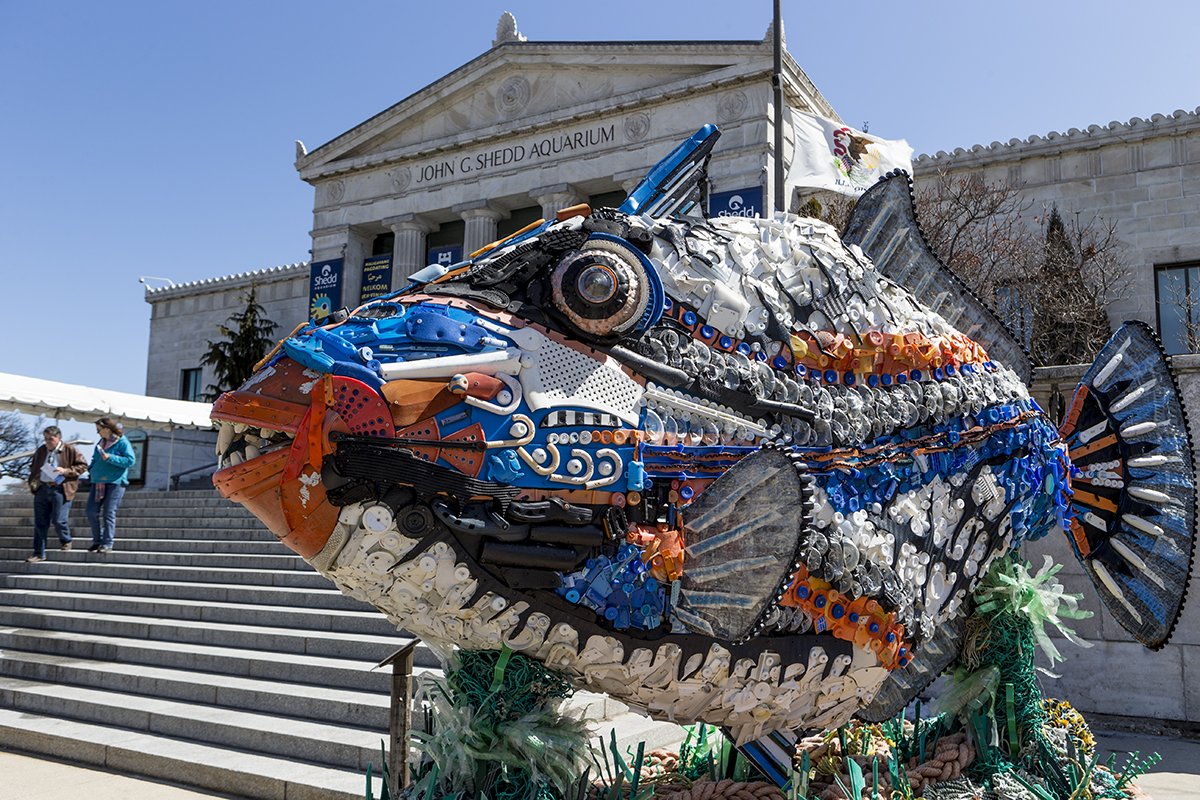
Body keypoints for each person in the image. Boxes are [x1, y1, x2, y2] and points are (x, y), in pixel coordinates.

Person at [25, 425, 89, 563]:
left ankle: (66, 539)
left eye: (51, 439)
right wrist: (34, 479)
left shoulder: (70, 449)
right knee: (40, 523)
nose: (48, 442)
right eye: (46, 439)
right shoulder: (41, 450)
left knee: (59, 519)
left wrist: (65, 471)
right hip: (42, 488)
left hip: (61, 488)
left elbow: (83, 466)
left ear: (58, 438)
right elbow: (34, 465)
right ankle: (38, 553)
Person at [86, 417, 136, 554]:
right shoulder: (101, 442)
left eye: (99, 429)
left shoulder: (122, 442)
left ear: (107, 429)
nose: (97, 433)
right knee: (91, 511)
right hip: (97, 481)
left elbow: (130, 460)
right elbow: (95, 458)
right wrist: (91, 468)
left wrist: (110, 458)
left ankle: (107, 543)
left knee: (109, 512)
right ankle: (97, 541)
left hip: (115, 482)